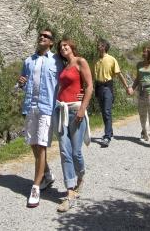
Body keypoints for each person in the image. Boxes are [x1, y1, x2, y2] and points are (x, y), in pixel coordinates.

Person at [17, 28, 62, 208]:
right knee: (33, 144)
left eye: (46, 36)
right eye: (41, 35)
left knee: (41, 146)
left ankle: (36, 186)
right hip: (30, 106)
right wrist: (20, 83)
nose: (42, 37)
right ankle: (47, 175)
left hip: (46, 108)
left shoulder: (57, 61)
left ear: (51, 42)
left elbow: (66, 79)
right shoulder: (28, 61)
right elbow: (22, 82)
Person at [54, 36, 94, 213]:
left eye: (65, 46)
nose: (63, 48)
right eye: (61, 47)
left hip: (75, 111)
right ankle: (70, 190)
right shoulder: (64, 67)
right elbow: (62, 88)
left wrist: (82, 108)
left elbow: (90, 86)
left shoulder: (80, 61)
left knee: (76, 152)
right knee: (64, 151)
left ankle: (81, 176)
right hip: (61, 110)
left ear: (72, 47)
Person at [92, 38, 133, 146]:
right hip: (98, 87)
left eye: (100, 45)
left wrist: (127, 87)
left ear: (104, 47)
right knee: (103, 111)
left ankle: (107, 136)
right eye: (97, 45)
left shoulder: (111, 59)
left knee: (107, 111)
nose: (97, 46)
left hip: (107, 87)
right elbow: (92, 76)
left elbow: (119, 74)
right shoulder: (95, 60)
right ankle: (110, 131)